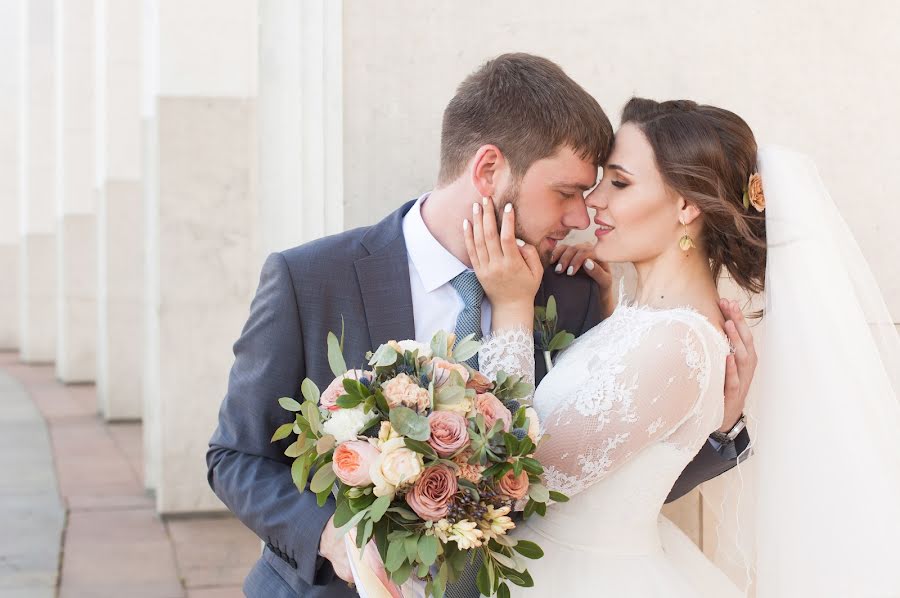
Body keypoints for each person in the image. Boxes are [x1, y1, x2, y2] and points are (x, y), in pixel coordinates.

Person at [206, 56, 754, 598]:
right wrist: (333, 539)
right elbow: (235, 456)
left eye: (604, 188)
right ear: (489, 170)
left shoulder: (572, 291)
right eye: (567, 192)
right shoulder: (311, 278)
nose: (581, 217)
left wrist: (715, 432)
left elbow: (593, 488)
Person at [464, 97, 900, 596]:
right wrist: (606, 309)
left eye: (620, 183)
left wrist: (513, 305)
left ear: (687, 205)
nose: (593, 202)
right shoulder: (642, 319)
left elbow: (516, 480)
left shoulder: (678, 345)